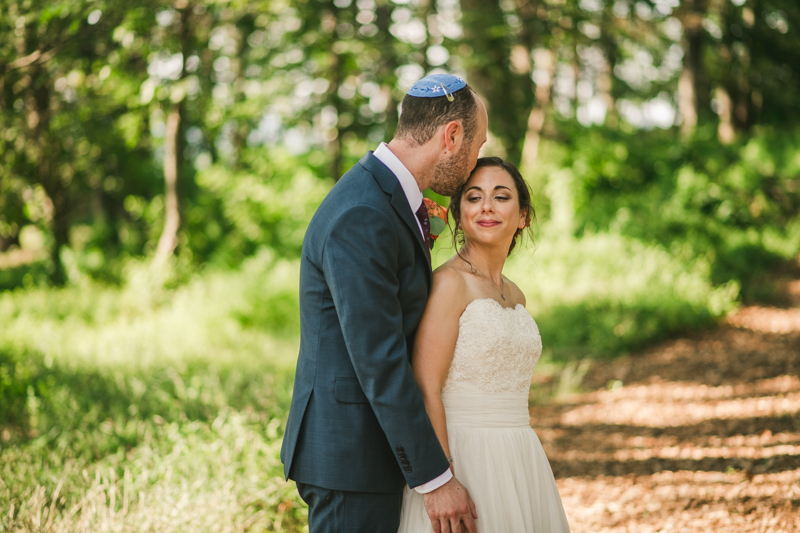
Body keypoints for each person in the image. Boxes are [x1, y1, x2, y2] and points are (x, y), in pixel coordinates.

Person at [280, 74, 489, 533]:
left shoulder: (383, 196)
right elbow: (379, 358)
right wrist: (435, 481)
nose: (476, 163)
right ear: (452, 136)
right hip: (350, 457)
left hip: (369, 451)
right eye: (477, 147)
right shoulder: (363, 212)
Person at [397, 157, 571, 532]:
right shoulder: (448, 284)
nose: (487, 206)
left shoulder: (516, 294)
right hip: (464, 455)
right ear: (459, 215)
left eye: (501, 196)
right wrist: (441, 478)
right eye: (474, 198)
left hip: (521, 455)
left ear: (522, 216)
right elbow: (425, 385)